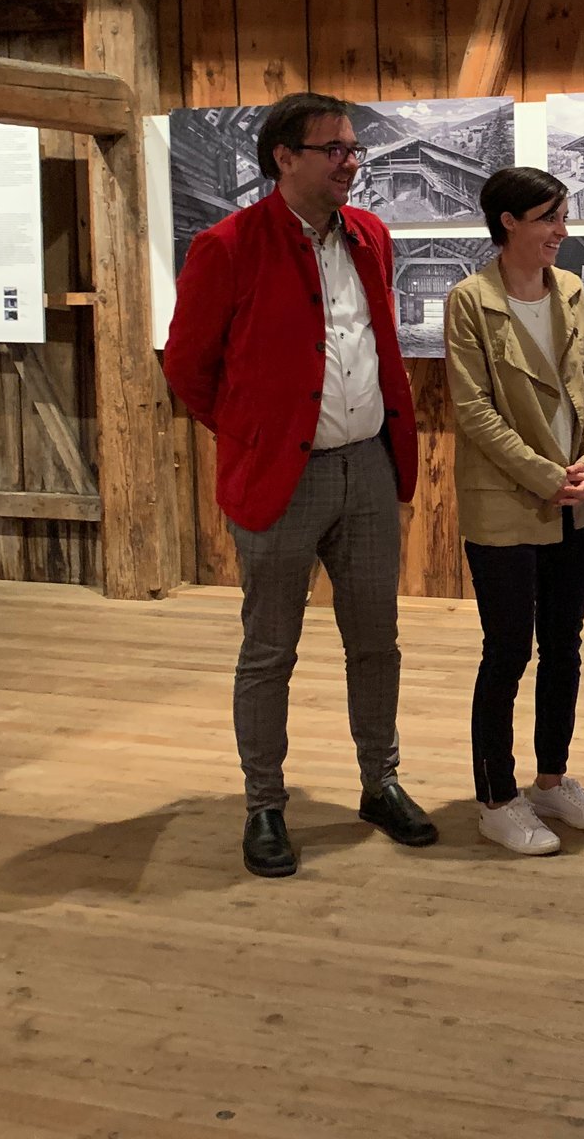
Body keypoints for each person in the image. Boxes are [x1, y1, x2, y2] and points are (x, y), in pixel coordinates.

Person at [164, 91, 438, 879]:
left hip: (368, 467)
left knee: (376, 640)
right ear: (284, 158)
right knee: (269, 649)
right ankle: (264, 804)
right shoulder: (227, 246)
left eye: (355, 149)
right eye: (335, 150)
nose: (351, 162)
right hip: (281, 477)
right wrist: (252, 434)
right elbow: (187, 366)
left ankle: (380, 781)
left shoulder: (371, 236)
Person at [443, 167, 584, 856]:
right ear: (508, 222)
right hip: (507, 502)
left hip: (575, 498)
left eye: (562, 216)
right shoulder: (469, 300)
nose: (561, 231)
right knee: (508, 649)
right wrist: (546, 476)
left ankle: (550, 780)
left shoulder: (569, 288)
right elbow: (474, 410)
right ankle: (495, 798)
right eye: (548, 218)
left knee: (564, 645)